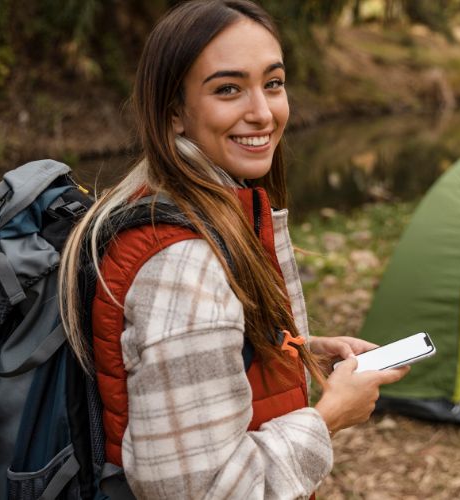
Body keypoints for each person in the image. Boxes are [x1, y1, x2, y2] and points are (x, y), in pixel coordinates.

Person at [58, 1, 409, 498]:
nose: (263, 112)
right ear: (174, 112)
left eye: (273, 83)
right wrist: (328, 418)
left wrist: (295, 352)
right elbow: (199, 489)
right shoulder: (182, 264)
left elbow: (198, 359)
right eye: (228, 89)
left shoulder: (176, 204)